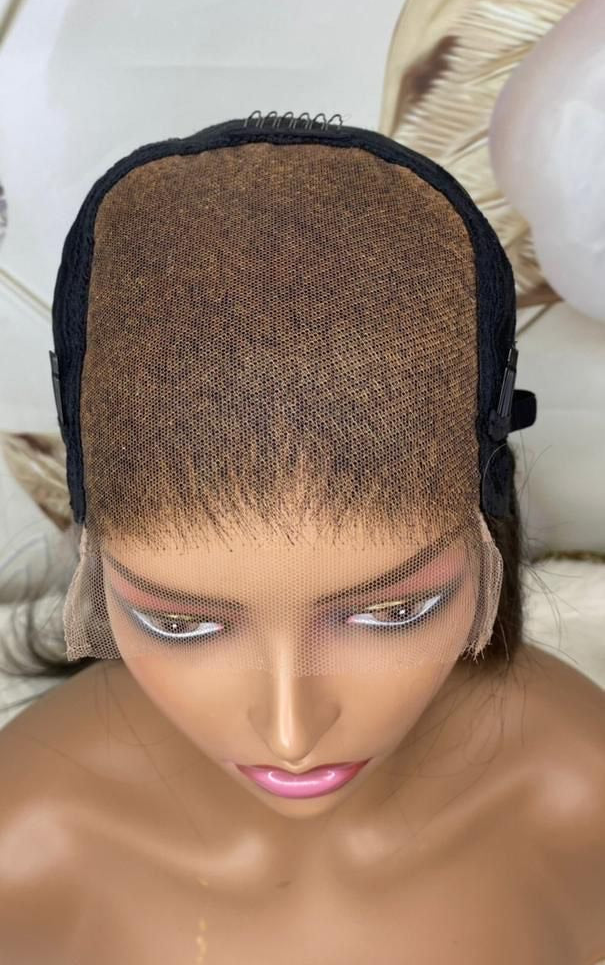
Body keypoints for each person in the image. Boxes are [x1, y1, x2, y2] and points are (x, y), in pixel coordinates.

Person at [0, 113, 604, 964]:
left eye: (392, 612)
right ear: (97, 570)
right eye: (178, 623)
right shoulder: (24, 845)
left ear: (483, 537)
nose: (289, 732)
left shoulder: (578, 794)